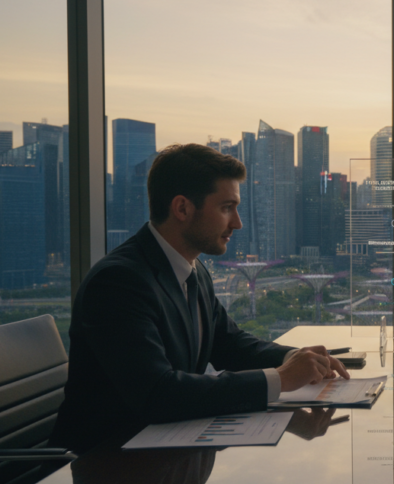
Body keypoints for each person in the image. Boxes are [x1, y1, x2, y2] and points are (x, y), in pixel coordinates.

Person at [51, 144, 348, 453]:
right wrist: (280, 379)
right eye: (226, 208)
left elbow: (229, 343)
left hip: (168, 455)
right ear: (182, 209)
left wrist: (294, 359)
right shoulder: (118, 282)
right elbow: (157, 394)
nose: (237, 223)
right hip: (111, 468)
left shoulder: (192, 270)